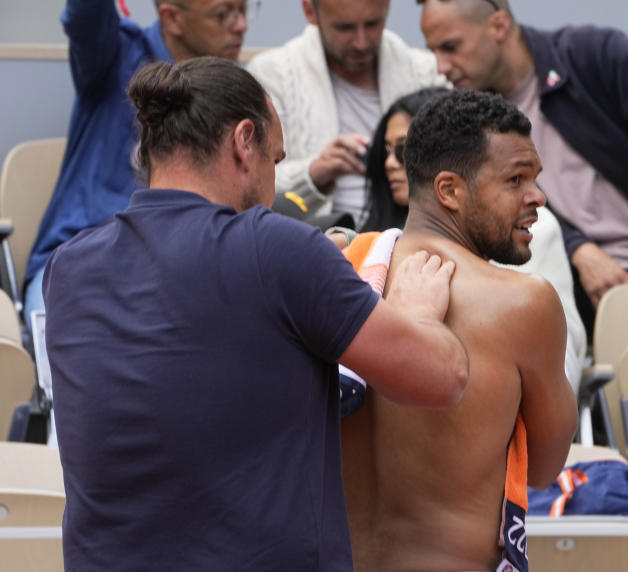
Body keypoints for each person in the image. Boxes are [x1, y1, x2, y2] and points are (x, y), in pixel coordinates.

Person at [44, 57, 469, 572]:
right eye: (276, 159)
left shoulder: (68, 271)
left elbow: (208, 378)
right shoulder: (275, 249)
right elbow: (439, 376)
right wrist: (416, 311)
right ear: (245, 141)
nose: (275, 181)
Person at [341, 89, 578, 572]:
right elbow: (543, 469)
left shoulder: (335, 275)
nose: (538, 197)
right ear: (449, 189)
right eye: (516, 179)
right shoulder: (524, 303)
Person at [417, 0, 628, 335]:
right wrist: (578, 249)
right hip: (568, 278)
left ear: (499, 26)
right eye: (433, 51)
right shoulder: (471, 117)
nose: (441, 66)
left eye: (450, 47)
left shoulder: (589, 55)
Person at [23, 0, 251, 330]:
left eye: (245, 10)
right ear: (172, 17)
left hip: (181, 273)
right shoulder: (115, 56)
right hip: (78, 260)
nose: (241, 25)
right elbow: (84, 16)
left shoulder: (234, 91)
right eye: (224, 13)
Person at [362, 85, 587, 390]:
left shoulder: (531, 255)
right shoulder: (359, 255)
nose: (391, 163)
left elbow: (564, 362)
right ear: (448, 189)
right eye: (387, 151)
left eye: (403, 150)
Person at [247, 0, 446, 228]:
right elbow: (248, 183)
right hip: (315, 248)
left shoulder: (428, 71)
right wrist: (313, 175)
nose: (361, 42)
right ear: (310, 11)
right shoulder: (271, 75)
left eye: (373, 24)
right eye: (344, 28)